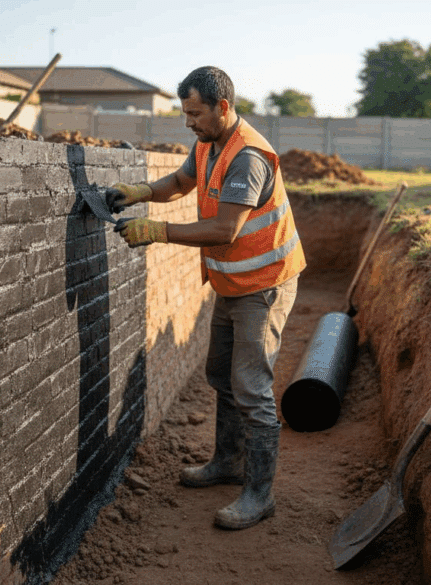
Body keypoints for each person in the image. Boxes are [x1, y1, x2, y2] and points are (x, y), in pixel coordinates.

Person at [106, 66, 305, 530]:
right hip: (232, 284)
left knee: (252, 390)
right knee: (221, 373)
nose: (188, 122)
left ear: (222, 107)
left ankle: (259, 494)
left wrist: (158, 231)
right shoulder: (208, 144)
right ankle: (227, 462)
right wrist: (141, 193)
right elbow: (178, 183)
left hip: (264, 285)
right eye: (184, 114)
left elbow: (224, 229)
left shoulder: (248, 157)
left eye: (195, 113)